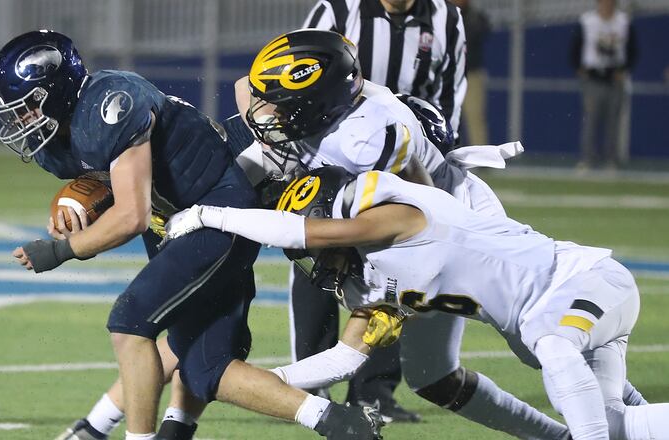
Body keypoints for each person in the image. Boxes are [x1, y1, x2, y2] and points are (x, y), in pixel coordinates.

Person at [0, 30, 383, 440]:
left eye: (28, 107)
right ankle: (342, 423)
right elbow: (120, 180)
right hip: (178, 219)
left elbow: (131, 216)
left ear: (55, 93)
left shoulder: (111, 104)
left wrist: (59, 250)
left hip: (216, 214)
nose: (22, 120)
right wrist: (86, 205)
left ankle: (126, 435)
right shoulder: (61, 142)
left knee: (130, 324)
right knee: (204, 366)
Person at [231, 29, 577, 438]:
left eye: (284, 105)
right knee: (434, 377)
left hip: (455, 231)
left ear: (318, 102)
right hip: (408, 236)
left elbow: (423, 209)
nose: (270, 111)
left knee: (542, 344)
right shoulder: (332, 104)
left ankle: (623, 418)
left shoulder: (367, 139)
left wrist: (394, 293)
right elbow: (243, 89)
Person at [165, 165, 662, 440]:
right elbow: (345, 359)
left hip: (585, 281)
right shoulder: (375, 277)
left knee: (552, 346)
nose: (318, 260)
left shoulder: (398, 218)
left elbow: (317, 229)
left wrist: (214, 215)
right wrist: (264, 385)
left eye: (317, 249)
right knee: (618, 424)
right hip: (561, 313)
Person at [291, 0, 467, 418]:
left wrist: (444, 157)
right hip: (335, 157)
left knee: (398, 269)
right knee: (320, 257)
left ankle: (374, 392)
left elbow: (448, 97)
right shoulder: (337, 9)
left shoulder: (447, 19)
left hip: (405, 162)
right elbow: (301, 71)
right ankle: (312, 387)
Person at [571, 0, 637, 171]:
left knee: (613, 122)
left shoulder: (623, 21)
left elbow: (632, 49)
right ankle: (587, 159)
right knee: (591, 120)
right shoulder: (588, 21)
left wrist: (625, 69)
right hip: (593, 78)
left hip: (615, 77)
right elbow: (576, 45)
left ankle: (611, 160)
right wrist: (579, 67)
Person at [452, 0, 489, 145]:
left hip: (471, 74)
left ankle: (480, 158)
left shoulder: (475, 17)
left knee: (475, 118)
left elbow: (476, 34)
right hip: (448, 75)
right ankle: (445, 155)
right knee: (445, 117)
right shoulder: (441, 14)